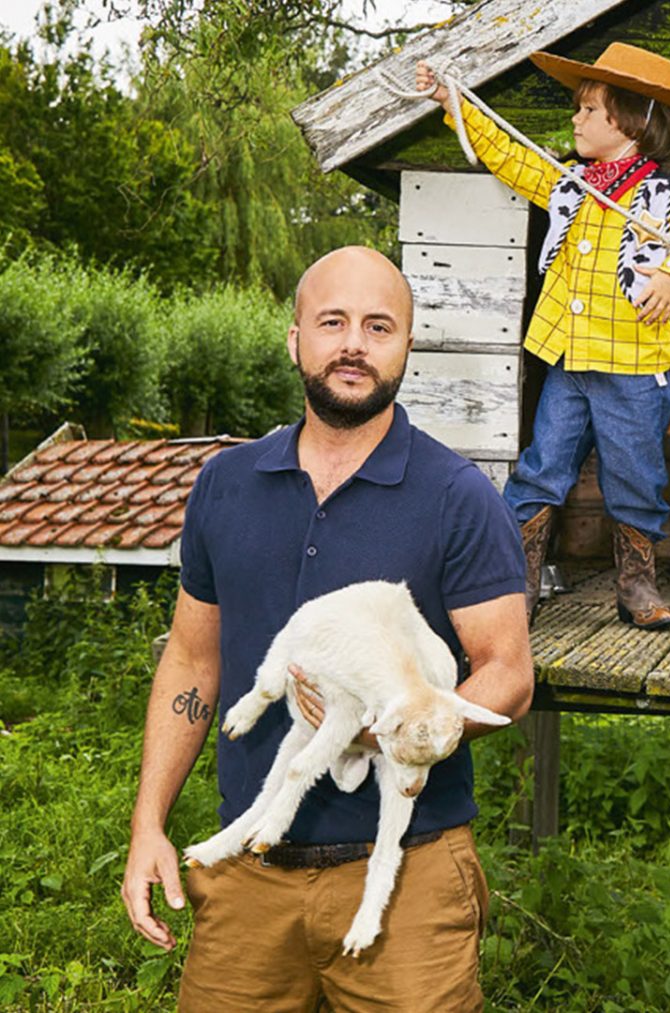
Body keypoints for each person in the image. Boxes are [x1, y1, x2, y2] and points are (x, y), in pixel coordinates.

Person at [118, 246, 533, 1012]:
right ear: (294, 338)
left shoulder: (458, 496)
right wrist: (149, 824)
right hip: (246, 875)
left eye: (379, 326)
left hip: (407, 874)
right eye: (332, 321)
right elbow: (190, 660)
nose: (354, 343)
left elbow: (507, 673)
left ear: (407, 346)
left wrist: (385, 733)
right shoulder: (226, 484)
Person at [415, 43, 670, 629]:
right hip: (569, 362)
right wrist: (453, 102)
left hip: (635, 370)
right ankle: (516, 583)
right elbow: (511, 158)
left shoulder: (663, 198)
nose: (576, 120)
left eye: (589, 110)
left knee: (635, 474)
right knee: (542, 467)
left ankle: (636, 584)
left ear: (633, 123)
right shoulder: (570, 184)